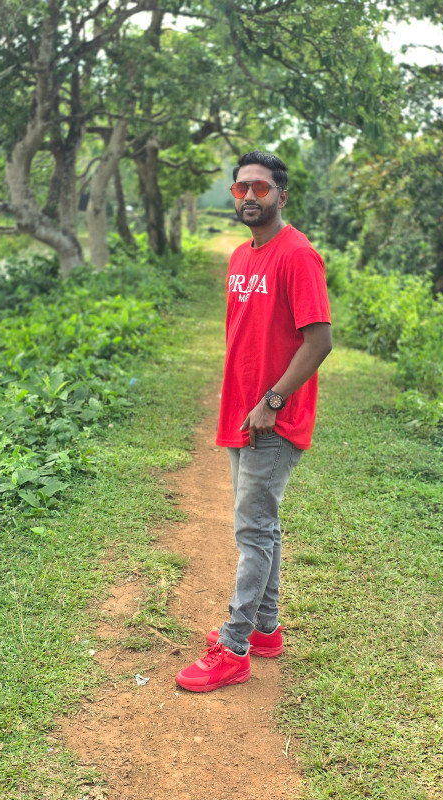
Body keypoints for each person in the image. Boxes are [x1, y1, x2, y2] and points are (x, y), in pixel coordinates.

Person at [175, 150, 332, 692]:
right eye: (241, 187)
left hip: (273, 418)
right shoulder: (241, 256)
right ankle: (265, 629)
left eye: (260, 188)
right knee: (261, 525)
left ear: (281, 196)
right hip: (242, 413)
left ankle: (234, 646)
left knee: (252, 529)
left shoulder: (298, 255)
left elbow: (319, 341)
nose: (249, 196)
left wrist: (273, 401)